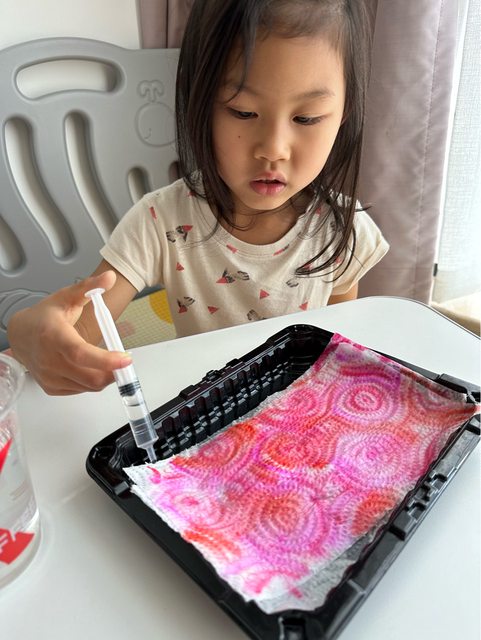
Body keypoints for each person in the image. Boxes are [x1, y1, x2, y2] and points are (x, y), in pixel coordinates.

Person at [7, 0, 388, 395]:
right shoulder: (161, 221)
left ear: (345, 112)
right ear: (200, 101)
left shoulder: (344, 231)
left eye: (306, 118)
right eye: (243, 112)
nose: (273, 150)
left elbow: (336, 354)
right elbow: (78, 332)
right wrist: (27, 333)